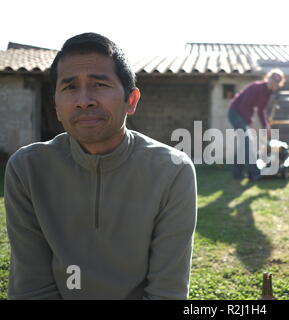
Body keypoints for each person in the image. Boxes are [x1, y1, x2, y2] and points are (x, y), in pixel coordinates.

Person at [4, 33, 197, 300]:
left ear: (131, 100)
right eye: (70, 87)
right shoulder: (27, 169)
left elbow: (167, 291)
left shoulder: (172, 171)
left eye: (99, 84)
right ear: (57, 108)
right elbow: (32, 287)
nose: (84, 100)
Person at [228, 69, 286, 180]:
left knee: (243, 145)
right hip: (235, 113)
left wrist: (266, 126)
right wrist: (250, 125)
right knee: (247, 141)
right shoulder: (256, 87)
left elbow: (261, 110)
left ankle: (237, 174)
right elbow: (244, 106)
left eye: (277, 82)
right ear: (268, 78)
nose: (274, 83)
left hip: (243, 115)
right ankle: (255, 172)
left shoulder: (268, 93)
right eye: (273, 79)